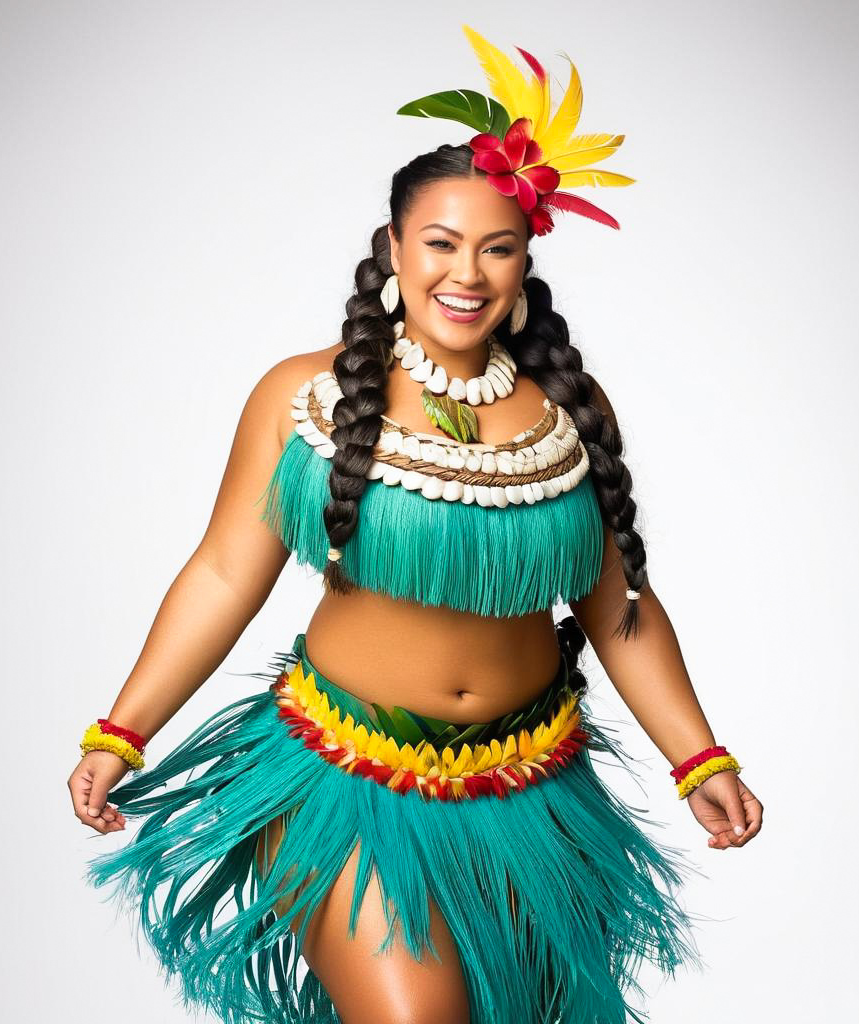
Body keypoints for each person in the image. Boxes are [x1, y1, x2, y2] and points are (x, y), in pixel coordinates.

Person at [68, 25, 764, 1024]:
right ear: (393, 249)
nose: (466, 273)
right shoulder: (302, 397)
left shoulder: (571, 410)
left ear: (527, 259)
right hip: (346, 782)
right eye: (439, 243)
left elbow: (620, 607)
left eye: (496, 247)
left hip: (530, 789)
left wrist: (701, 757)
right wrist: (122, 730)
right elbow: (226, 572)